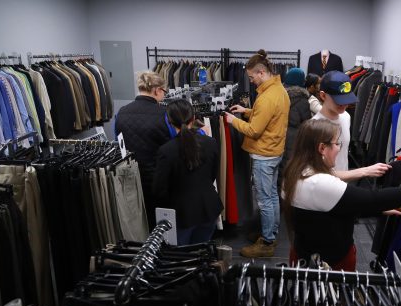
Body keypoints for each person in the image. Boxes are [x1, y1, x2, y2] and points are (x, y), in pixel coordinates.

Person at [282, 119, 401, 270]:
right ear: (321, 148)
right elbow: (374, 199)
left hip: (305, 254)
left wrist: (378, 211)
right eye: (336, 143)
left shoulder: (295, 173)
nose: (339, 148)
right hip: (328, 266)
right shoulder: (319, 183)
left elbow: (329, 209)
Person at [225, 49, 290, 258]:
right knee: (272, 196)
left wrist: (233, 121)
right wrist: (247, 112)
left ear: (261, 73)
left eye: (252, 77)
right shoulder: (279, 89)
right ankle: (270, 233)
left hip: (264, 155)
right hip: (274, 150)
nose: (251, 81)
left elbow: (254, 130)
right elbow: (267, 115)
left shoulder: (266, 97)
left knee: (264, 200)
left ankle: (267, 243)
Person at [152, 99, 223, 245]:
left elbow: (159, 190)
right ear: (194, 118)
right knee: (202, 254)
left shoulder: (166, 151)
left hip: (181, 216)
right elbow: (212, 174)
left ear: (169, 121)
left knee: (182, 260)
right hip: (209, 209)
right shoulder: (211, 143)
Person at [115, 70, 174, 231]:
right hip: (159, 178)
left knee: (137, 222)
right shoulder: (165, 115)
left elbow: (119, 144)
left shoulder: (121, 112)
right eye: (164, 91)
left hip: (130, 177)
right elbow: (174, 144)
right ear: (157, 90)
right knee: (162, 223)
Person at [313, 70, 391, 182]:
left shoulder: (345, 117)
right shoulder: (314, 127)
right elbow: (315, 173)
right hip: (323, 187)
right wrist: (365, 171)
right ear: (323, 95)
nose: (345, 104)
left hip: (343, 185)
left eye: (347, 99)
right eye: (338, 100)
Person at [277, 68, 312, 193]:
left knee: (277, 170)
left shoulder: (277, 95)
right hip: (294, 140)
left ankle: (278, 200)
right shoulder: (303, 101)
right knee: (291, 169)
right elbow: (307, 124)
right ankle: (288, 200)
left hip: (276, 136)